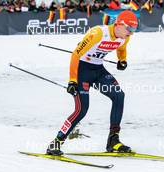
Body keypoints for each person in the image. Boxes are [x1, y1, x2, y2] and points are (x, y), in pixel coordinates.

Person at [46, 10, 138, 156]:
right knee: (82, 110)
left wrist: (122, 60)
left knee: (119, 96)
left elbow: (121, 49)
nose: (131, 33)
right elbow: (76, 54)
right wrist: (72, 80)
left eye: (134, 29)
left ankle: (113, 140)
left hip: (98, 70)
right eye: (130, 29)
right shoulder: (98, 33)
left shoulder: (124, 37)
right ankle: (56, 142)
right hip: (82, 70)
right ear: (119, 24)